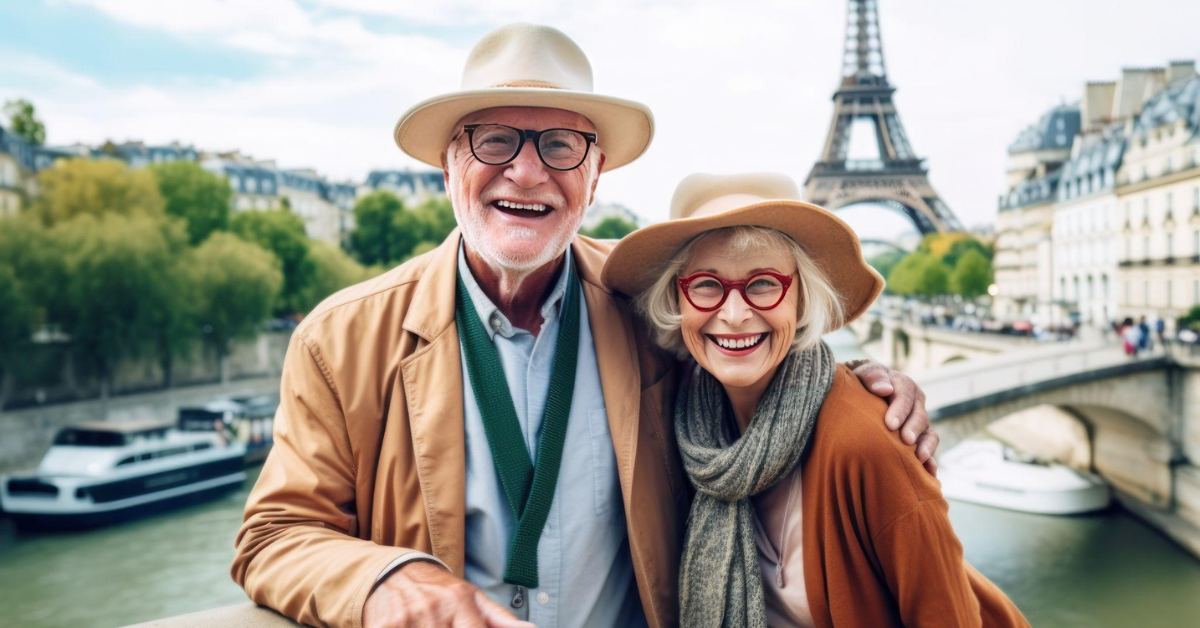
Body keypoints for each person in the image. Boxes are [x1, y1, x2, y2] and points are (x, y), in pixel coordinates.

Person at [231, 24, 941, 628]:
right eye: (495, 141)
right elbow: (272, 536)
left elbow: (756, 350)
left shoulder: (649, 302)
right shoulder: (340, 340)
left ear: (595, 175)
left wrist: (861, 388)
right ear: (449, 165)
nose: (528, 172)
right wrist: (386, 580)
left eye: (561, 146)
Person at [603, 172, 1028, 627]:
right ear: (678, 299)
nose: (733, 313)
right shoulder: (690, 422)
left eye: (764, 283)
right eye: (706, 285)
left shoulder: (872, 443)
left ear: (802, 299)